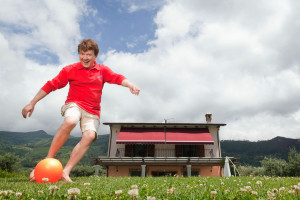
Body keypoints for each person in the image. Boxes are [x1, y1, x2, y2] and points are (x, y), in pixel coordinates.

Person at [22, 39, 140, 182]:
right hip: (74, 104)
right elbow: (50, 85)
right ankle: (47, 159)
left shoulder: (102, 70)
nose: (85, 57)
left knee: (89, 136)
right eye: (82, 54)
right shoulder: (70, 69)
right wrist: (32, 103)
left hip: (93, 111)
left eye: (89, 54)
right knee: (71, 120)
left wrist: (130, 85)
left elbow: (117, 78)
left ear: (95, 56)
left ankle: (65, 172)